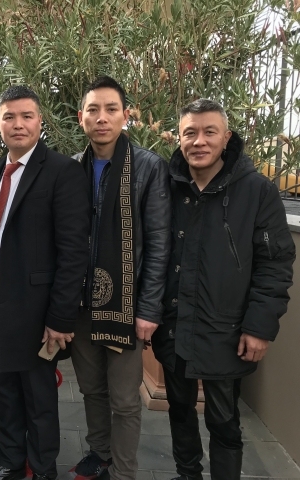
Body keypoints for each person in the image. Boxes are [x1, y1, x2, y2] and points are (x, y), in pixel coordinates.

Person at [152, 99, 295, 480]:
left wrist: (259, 327)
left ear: (226, 137)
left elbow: (275, 264)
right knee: (179, 410)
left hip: (226, 330)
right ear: (179, 138)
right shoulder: (168, 186)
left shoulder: (257, 190)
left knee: (224, 421)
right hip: (174, 325)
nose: (199, 141)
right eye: (190, 133)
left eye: (209, 132)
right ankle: (187, 474)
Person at [0, 85, 90, 480]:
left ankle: (41, 469)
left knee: (37, 395)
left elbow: (73, 253)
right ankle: (10, 461)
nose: (17, 124)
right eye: (9, 117)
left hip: (34, 306)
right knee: (3, 388)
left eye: (26, 116)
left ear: (40, 121)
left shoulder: (62, 171)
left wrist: (60, 317)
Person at [69, 76, 171, 480]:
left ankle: (124, 471)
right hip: (80, 302)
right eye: (93, 110)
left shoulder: (148, 167)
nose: (102, 117)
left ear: (125, 115)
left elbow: (159, 243)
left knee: (125, 400)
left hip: (126, 305)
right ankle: (100, 453)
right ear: (81, 116)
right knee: (91, 388)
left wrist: (148, 309)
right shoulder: (72, 168)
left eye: (111, 109)